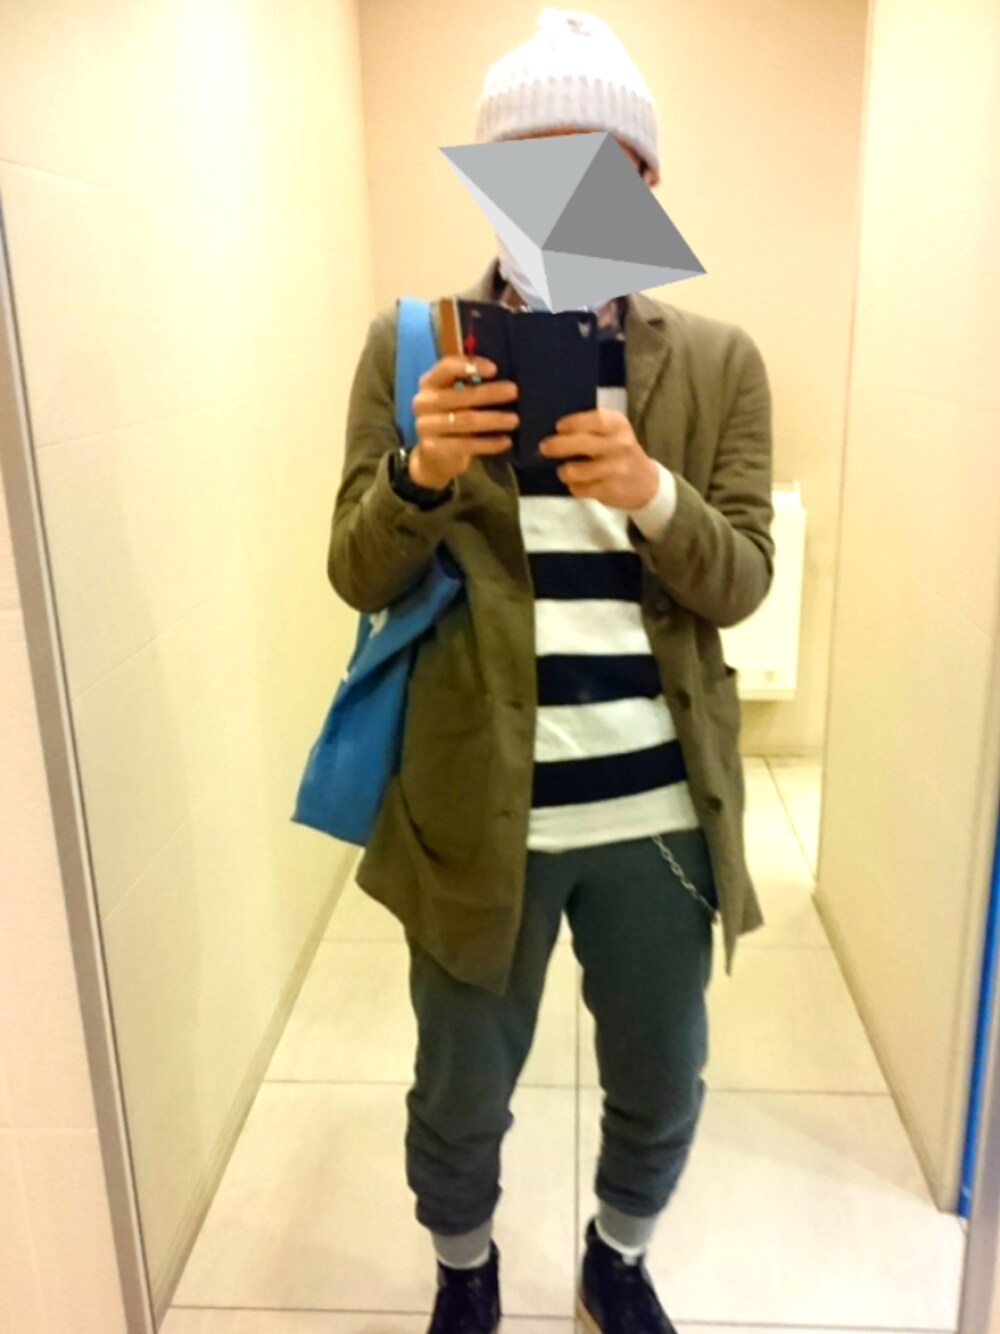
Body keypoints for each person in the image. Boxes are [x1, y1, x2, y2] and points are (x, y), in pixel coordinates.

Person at [328, 9, 776, 1333]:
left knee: (663, 1075)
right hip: (477, 808)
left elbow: (744, 579)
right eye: (528, 165)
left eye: (594, 164)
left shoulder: (718, 363)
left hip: (659, 815)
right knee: (459, 1089)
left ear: (644, 178)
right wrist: (421, 471)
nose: (561, 197)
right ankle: (464, 1267)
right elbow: (356, 572)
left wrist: (651, 495)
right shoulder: (413, 347)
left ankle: (616, 1259)